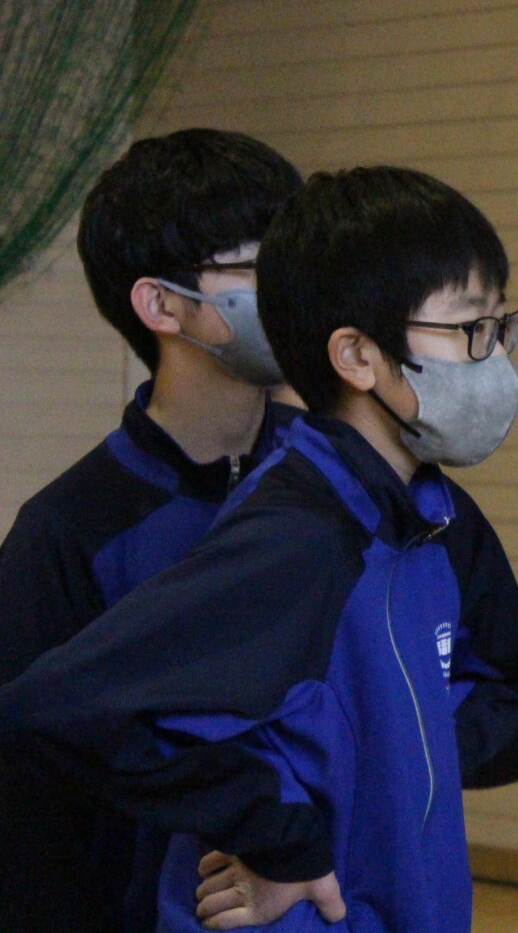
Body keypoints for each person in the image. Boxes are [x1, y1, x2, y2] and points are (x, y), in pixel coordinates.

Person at [0, 166, 518, 933]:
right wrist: (284, 841)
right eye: (471, 331)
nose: (495, 361)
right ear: (358, 357)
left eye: (501, 329)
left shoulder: (431, 516)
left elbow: (438, 729)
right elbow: (57, 708)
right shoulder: (298, 531)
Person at [0, 127, 303, 933]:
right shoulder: (69, 532)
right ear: (161, 303)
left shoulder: (336, 495)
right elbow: (31, 815)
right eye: (257, 266)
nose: (295, 288)